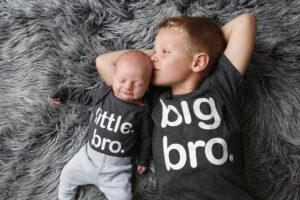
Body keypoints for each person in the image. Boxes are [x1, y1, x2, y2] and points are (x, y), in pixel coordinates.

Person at [96, 13, 257, 200]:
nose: (154, 58)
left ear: (198, 62)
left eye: (164, 51)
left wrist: (202, 44)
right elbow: (105, 62)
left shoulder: (220, 86)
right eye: (154, 52)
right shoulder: (152, 100)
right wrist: (153, 59)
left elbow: (245, 21)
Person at [54, 50, 153, 200]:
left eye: (137, 83)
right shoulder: (104, 95)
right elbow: (84, 95)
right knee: (67, 175)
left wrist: (144, 159)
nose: (127, 87)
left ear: (147, 87)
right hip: (87, 159)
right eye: (121, 80)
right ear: (114, 78)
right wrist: (64, 92)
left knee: (125, 197)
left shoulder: (142, 110)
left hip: (117, 171)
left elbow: (146, 137)